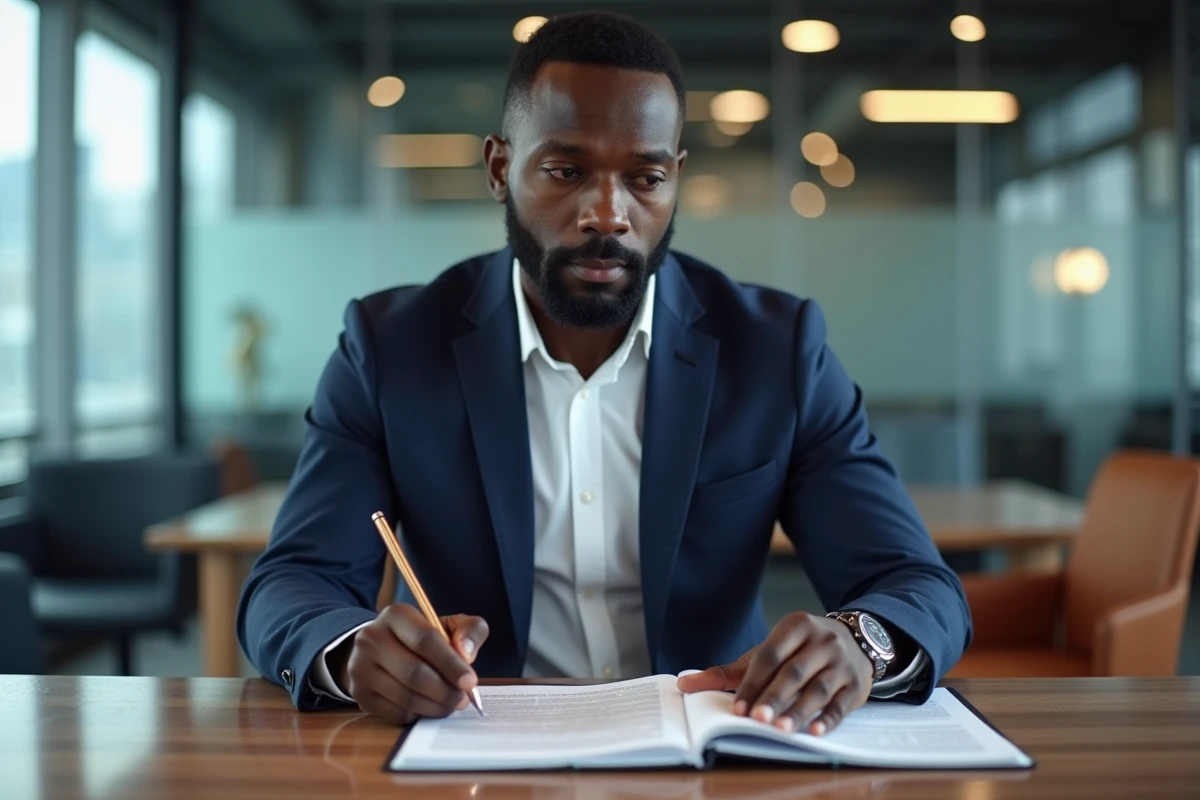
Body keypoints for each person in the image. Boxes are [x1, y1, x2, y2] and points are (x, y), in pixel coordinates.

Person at [237, 11, 971, 737]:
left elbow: (916, 584)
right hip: (479, 751)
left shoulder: (777, 351)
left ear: (675, 180)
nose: (608, 214)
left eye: (645, 177)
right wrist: (348, 652)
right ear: (500, 169)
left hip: (714, 748)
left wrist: (862, 644)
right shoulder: (390, 348)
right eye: (567, 171)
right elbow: (293, 582)